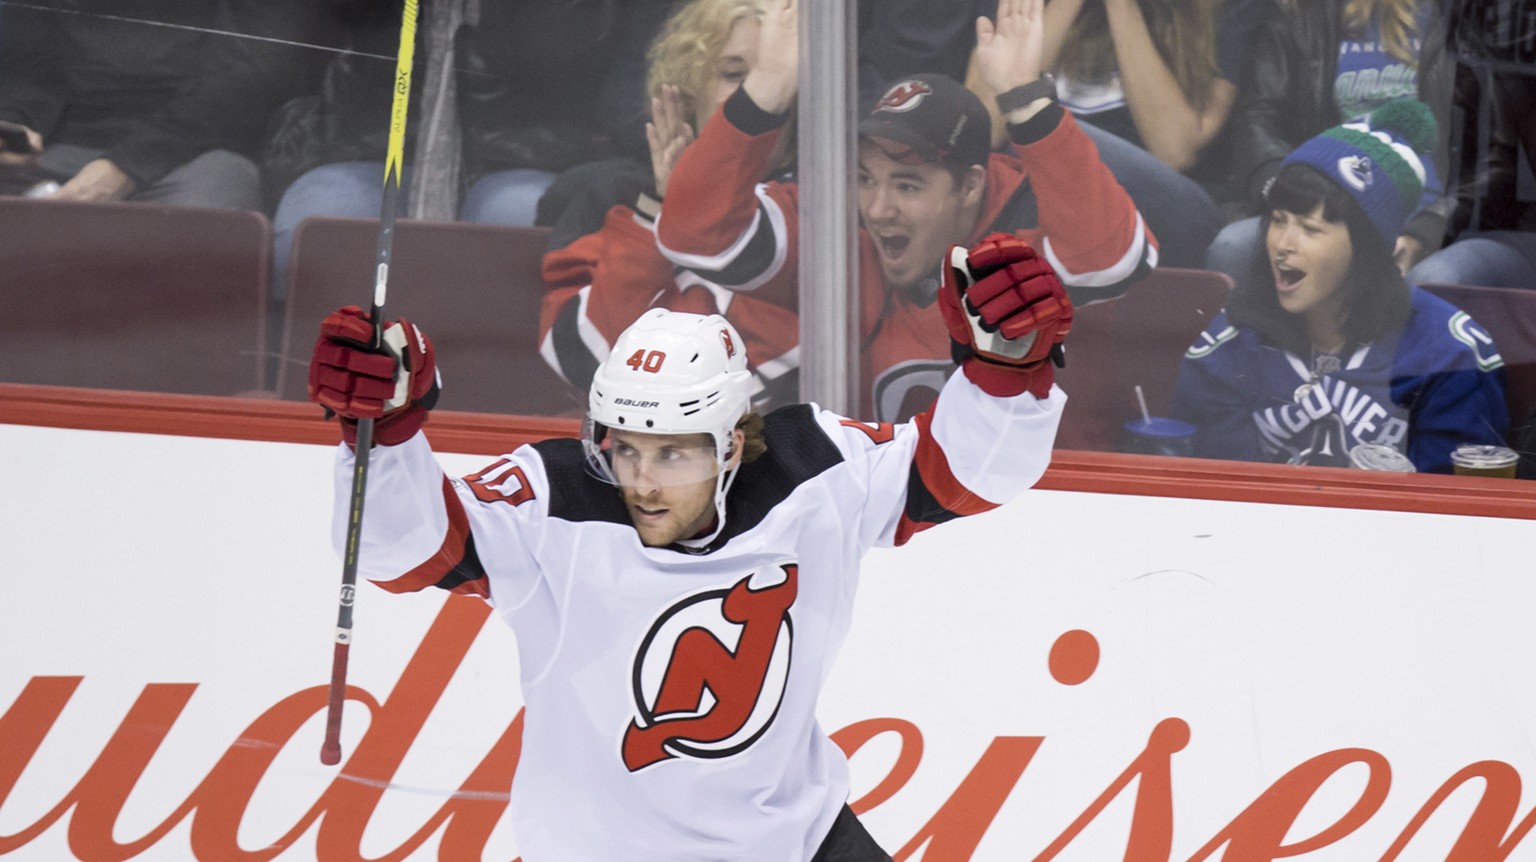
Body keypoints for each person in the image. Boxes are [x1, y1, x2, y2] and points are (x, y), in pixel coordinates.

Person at [307, 233, 1073, 861]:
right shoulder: (554, 499)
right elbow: (402, 553)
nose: (640, 481)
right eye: (626, 449)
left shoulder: (815, 470)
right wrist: (386, 434)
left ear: (734, 441)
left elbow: (969, 474)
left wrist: (1008, 371)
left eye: (673, 454)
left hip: (800, 841)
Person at [656, 0, 1156, 421]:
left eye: (908, 185)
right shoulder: (838, 232)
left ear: (970, 187)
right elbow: (695, 236)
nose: (878, 208)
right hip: (882, 515)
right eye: (866, 179)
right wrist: (764, 88)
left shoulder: (1019, 238)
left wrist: (1027, 101)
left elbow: (1112, 259)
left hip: (1045, 511)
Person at [1169, 100, 1508, 473]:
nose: (1283, 243)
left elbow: (1457, 510)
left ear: (1367, 249)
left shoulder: (1449, 355)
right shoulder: (1229, 342)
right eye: (1278, 220)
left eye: (1310, 229)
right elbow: (1219, 497)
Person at [538, 0, 804, 409]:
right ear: (689, 89)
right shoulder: (612, 200)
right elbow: (582, 359)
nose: (757, 92)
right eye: (734, 74)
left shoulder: (828, 205)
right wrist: (656, 214)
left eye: (770, 77)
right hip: (638, 453)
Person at [985, 0, 1267, 267]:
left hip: (1167, 202)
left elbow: (1174, 148)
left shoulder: (1226, 9)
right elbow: (989, 127)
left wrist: (1121, 5)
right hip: (1047, 190)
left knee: (1039, 135)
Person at [1210, 0, 1458, 280]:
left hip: (1431, 213)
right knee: (1233, 246)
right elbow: (1259, 116)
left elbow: (1490, 149)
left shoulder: (1462, 14)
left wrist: (1426, 229)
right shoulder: (1302, 12)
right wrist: (1290, 193)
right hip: (1325, 203)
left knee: (1435, 277)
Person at [0, 0, 321, 209]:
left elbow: (251, 78)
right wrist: (17, 124)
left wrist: (126, 166)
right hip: (60, 143)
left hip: (196, 151)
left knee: (208, 213)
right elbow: (31, 66)